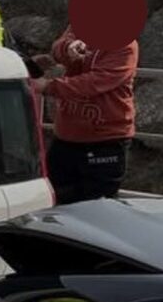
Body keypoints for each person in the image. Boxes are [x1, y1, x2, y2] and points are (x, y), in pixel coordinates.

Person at [31, 28, 138, 203]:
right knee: (53, 198)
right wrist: (68, 47)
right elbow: (57, 48)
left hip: (105, 139)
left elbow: (97, 81)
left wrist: (48, 87)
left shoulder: (125, 44)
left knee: (96, 205)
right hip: (66, 136)